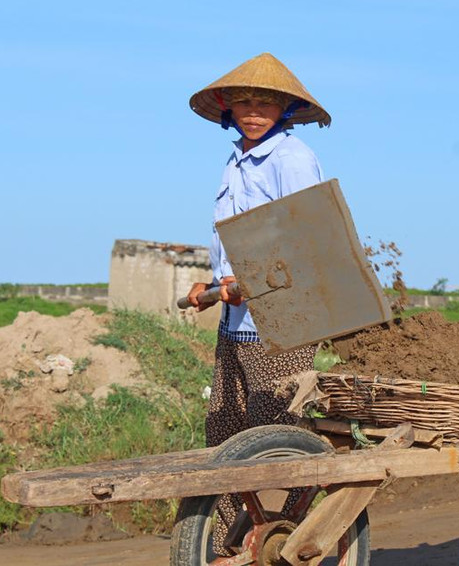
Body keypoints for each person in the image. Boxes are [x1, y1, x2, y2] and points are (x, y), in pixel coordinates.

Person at [185, 52, 331, 555]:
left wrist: (249, 280)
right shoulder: (236, 160)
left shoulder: (293, 159)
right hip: (236, 320)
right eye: (244, 102)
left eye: (265, 105)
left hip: (282, 319)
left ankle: (299, 536)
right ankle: (230, 542)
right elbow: (231, 242)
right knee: (224, 429)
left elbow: (305, 234)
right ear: (227, 107)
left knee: (278, 434)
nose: (253, 112)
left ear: (285, 110)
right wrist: (213, 287)